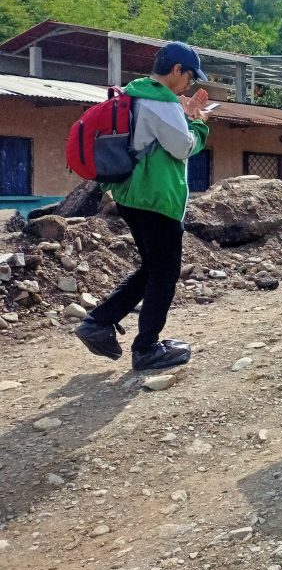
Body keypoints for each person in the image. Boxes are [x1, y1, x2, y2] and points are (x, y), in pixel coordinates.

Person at [74, 42, 211, 371]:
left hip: (132, 196)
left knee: (153, 268)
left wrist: (184, 113)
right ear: (177, 69)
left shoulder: (137, 93)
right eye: (189, 76)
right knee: (165, 274)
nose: (189, 84)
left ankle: (97, 322)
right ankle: (146, 347)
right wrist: (199, 124)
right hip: (156, 199)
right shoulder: (159, 100)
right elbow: (181, 147)